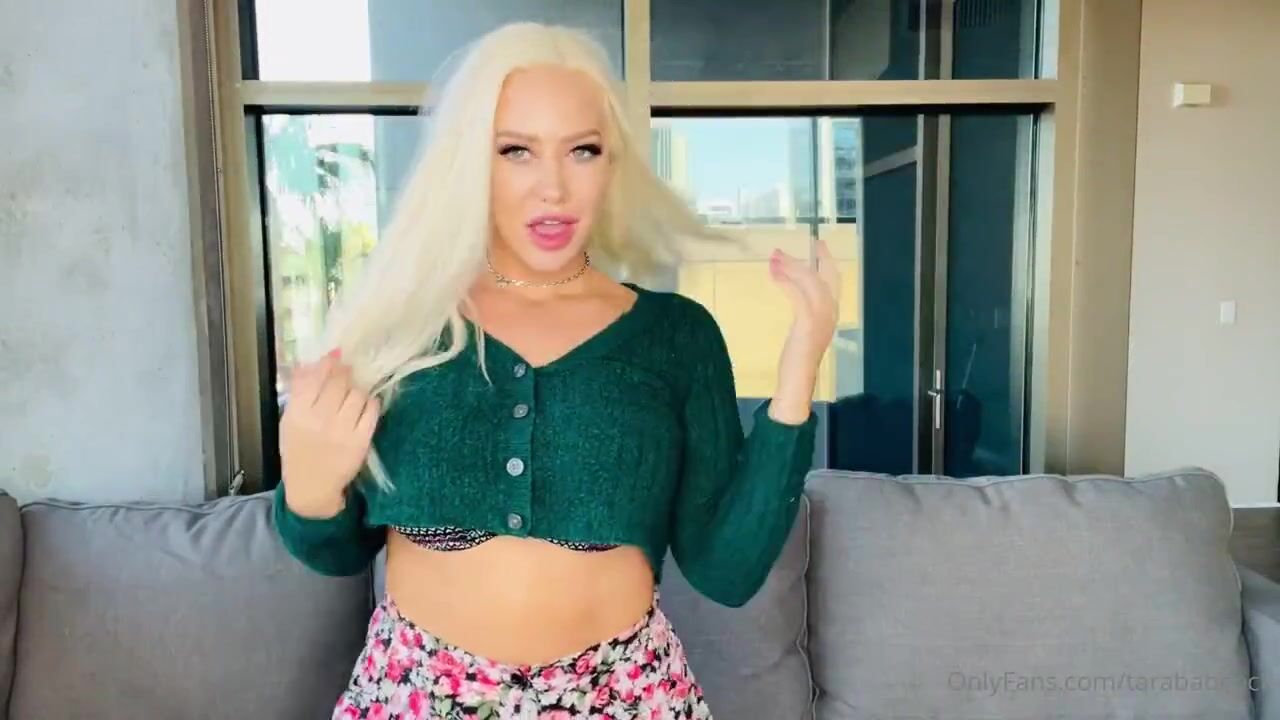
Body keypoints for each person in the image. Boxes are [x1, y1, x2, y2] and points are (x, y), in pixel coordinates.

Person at [273, 21, 839, 720]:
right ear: (470, 162)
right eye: (516, 150)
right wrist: (310, 485)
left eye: (582, 150)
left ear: (612, 163)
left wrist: (799, 368)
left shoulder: (676, 335)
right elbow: (335, 552)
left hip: (627, 698)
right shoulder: (399, 325)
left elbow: (727, 571)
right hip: (415, 695)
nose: (553, 187)